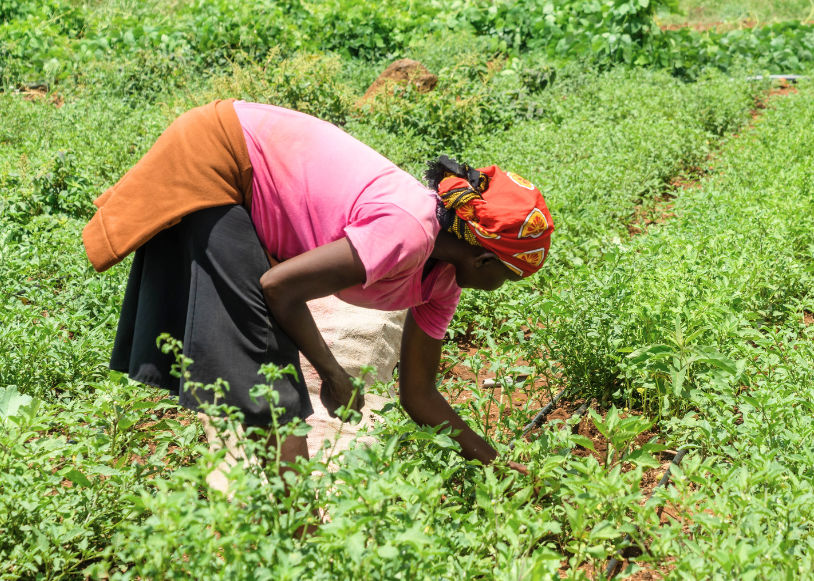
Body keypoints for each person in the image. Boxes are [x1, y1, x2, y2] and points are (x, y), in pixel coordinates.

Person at [83, 99, 554, 472]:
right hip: (222, 156)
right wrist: (334, 375)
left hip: (248, 178)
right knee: (271, 373)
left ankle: (276, 517)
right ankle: (297, 535)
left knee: (262, 370)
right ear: (483, 255)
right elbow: (279, 288)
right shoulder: (408, 232)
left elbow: (418, 393)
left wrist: (496, 468)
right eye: (510, 275)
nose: (504, 286)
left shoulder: (443, 283)